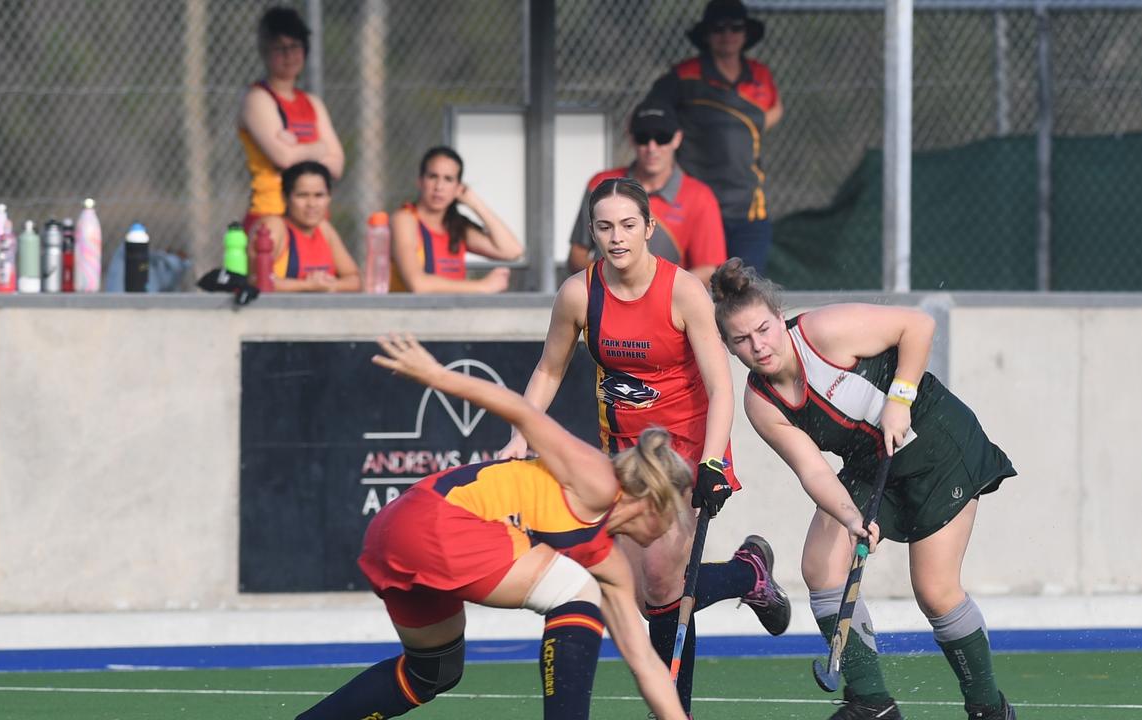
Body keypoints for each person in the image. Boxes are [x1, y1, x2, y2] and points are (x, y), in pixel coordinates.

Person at [500, 177, 788, 716]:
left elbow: (720, 384)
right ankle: (749, 572)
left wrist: (712, 462)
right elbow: (548, 369)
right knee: (628, 590)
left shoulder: (683, 291)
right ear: (592, 232)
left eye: (629, 225)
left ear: (649, 228)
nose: (617, 237)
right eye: (605, 227)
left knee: (662, 582)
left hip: (688, 450)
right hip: (627, 454)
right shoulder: (578, 294)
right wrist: (520, 433)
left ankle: (676, 709)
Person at [294, 333, 694, 720]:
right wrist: (437, 377)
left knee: (432, 672)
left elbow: (645, 665)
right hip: (439, 521)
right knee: (577, 589)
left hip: (393, 530)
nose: (672, 528)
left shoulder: (609, 563)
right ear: (652, 498)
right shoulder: (598, 478)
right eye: (674, 513)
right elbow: (521, 411)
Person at [710, 257, 1019, 720]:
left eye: (763, 330)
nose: (759, 346)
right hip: (871, 464)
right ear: (730, 348)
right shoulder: (761, 404)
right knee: (821, 564)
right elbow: (813, 472)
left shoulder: (825, 331)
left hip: (936, 442)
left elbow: (917, 326)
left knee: (934, 590)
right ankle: (872, 703)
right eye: (742, 340)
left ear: (779, 318)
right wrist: (852, 518)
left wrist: (900, 397)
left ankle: (989, 709)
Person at [646, 0, 783, 275]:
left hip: (748, 205)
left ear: (745, 33)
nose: (728, 35)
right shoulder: (684, 76)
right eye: (719, 28)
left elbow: (775, 109)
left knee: (748, 289)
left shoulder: (759, 74)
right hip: (701, 204)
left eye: (736, 27)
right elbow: (646, 120)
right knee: (702, 288)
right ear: (707, 35)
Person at [567, 100, 726, 287]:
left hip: (668, 306)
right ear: (631, 138)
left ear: (677, 138)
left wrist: (654, 293)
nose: (652, 148)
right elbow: (577, 255)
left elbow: (708, 269)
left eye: (662, 137)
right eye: (643, 137)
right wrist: (608, 285)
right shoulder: (601, 185)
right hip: (605, 299)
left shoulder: (700, 196)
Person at [238, 5, 345, 235]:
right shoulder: (257, 99)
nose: (288, 55)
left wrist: (297, 148)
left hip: (313, 219)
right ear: (265, 51)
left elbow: (337, 164)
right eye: (280, 48)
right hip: (272, 216)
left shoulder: (312, 103)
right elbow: (284, 158)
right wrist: (318, 148)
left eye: (294, 46)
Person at [389, 146, 522, 294]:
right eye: (433, 176)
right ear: (420, 181)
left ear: (458, 187)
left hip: (453, 315)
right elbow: (418, 285)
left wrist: (474, 202)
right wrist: (483, 286)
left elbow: (512, 251)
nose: (439, 187)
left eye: (448, 179)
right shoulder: (405, 219)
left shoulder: (456, 226)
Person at [248, 161, 360, 293]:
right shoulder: (273, 227)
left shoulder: (324, 229)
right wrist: (308, 286)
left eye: (319, 195)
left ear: (329, 198)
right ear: (285, 198)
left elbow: (355, 280)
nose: (311, 204)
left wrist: (330, 285)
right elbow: (258, 281)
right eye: (302, 195)